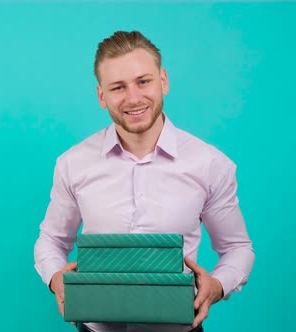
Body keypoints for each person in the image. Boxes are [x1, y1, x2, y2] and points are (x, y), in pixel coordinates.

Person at [33, 31, 254, 332]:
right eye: (118, 87)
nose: (133, 98)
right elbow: (52, 240)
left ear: (163, 81)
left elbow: (237, 248)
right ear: (102, 96)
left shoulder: (211, 164)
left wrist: (217, 286)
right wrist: (55, 278)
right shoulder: (73, 164)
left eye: (143, 81)